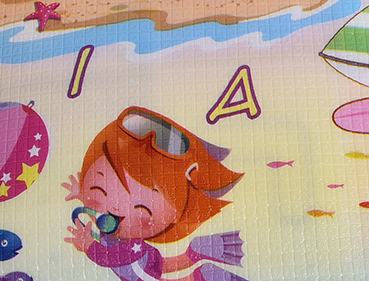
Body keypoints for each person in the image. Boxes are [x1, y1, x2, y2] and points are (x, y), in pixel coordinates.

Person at [63, 107, 247, 280]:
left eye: (142, 208)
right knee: (164, 265)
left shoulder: (132, 245)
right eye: (100, 190)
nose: (115, 208)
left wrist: (89, 247)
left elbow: (110, 257)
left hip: (141, 272)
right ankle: (195, 255)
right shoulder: (115, 230)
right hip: (147, 260)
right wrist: (82, 193)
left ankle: (198, 276)